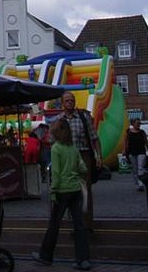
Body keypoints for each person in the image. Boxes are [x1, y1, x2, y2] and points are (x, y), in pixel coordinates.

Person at [31, 118, 91, 270]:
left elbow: (55, 173)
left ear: (57, 132)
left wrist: (53, 191)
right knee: (79, 226)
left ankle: (46, 256)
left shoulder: (56, 148)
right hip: (76, 190)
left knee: (54, 225)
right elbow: (83, 168)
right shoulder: (73, 148)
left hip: (62, 192)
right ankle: (82, 259)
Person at [58, 90, 102, 230]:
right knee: (70, 189)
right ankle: (75, 223)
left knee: (85, 189)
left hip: (84, 156)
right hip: (67, 157)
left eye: (72, 100)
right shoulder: (60, 120)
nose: (70, 103)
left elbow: (94, 137)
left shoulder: (83, 117)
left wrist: (98, 156)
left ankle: (87, 224)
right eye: (67, 101)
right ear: (62, 103)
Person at [123, 118, 148, 191]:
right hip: (132, 152)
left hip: (141, 152)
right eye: (137, 123)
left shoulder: (142, 132)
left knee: (140, 167)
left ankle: (141, 182)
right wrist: (124, 151)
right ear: (133, 124)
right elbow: (126, 142)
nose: (139, 125)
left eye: (139, 123)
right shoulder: (129, 133)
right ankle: (136, 183)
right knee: (135, 169)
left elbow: (146, 142)